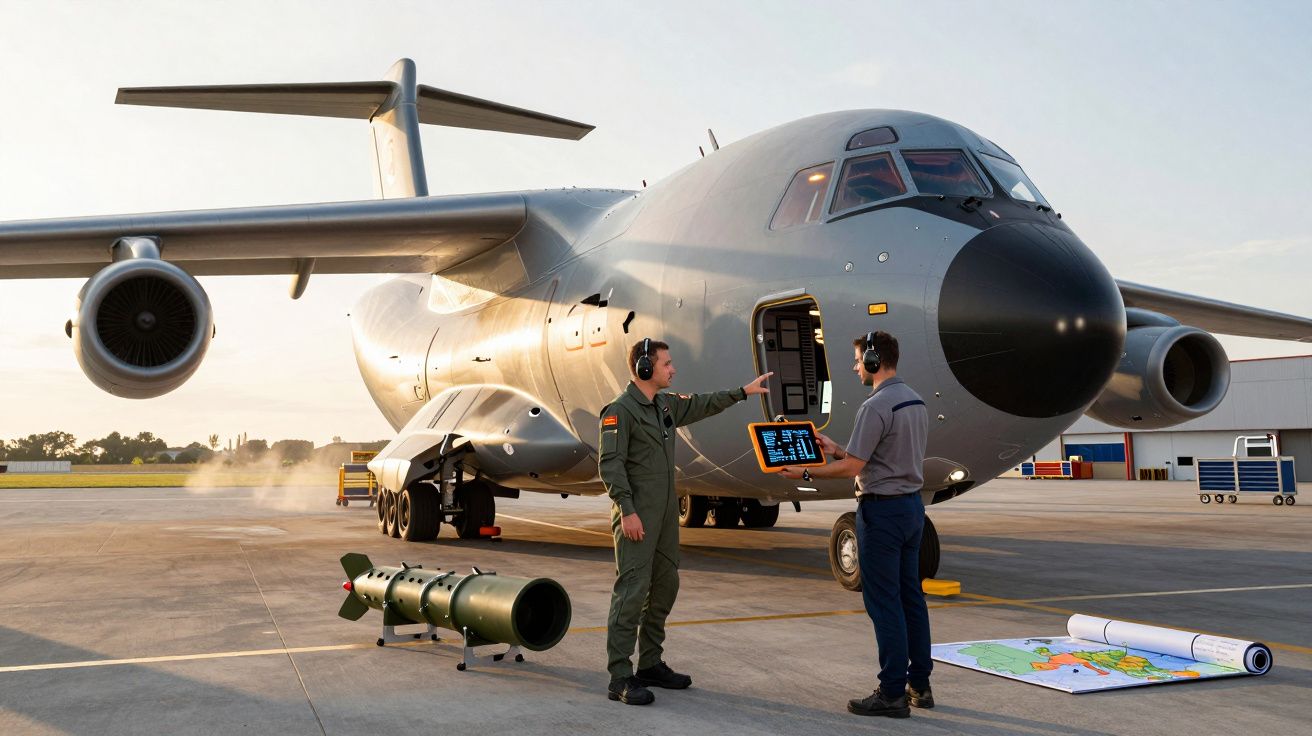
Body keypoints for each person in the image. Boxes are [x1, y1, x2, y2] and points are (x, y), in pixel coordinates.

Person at [600, 338, 771, 705]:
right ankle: (619, 676)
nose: (672, 369)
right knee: (631, 594)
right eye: (666, 364)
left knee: (666, 587)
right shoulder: (620, 411)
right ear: (645, 368)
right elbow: (610, 465)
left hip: (664, 518)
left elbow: (700, 404)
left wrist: (742, 392)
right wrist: (626, 510)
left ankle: (650, 663)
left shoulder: (664, 405)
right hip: (637, 516)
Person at [780, 331, 932, 719]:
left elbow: (854, 468)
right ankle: (920, 685)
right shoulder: (914, 401)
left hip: (881, 513)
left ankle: (892, 692)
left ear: (873, 360)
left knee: (884, 604)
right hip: (912, 510)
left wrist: (805, 472)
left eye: (857, 359)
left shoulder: (876, 405)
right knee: (911, 597)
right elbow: (875, 455)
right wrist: (834, 448)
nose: (854, 366)